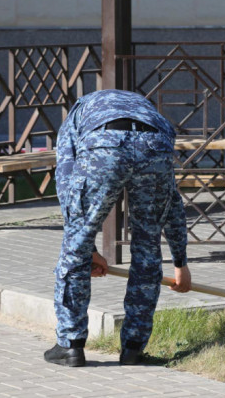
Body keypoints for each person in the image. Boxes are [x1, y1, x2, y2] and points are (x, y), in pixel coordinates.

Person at [44, 89, 191, 367]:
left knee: (74, 248)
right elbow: (172, 203)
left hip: (104, 143)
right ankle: (133, 349)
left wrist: (87, 248)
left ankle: (70, 346)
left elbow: (66, 186)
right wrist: (181, 263)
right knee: (148, 246)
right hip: (156, 144)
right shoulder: (149, 113)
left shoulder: (78, 114)